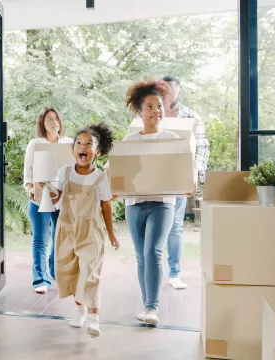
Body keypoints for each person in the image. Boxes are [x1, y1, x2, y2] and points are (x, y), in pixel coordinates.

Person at [123, 80, 195, 325]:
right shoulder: (130, 140)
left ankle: (152, 308)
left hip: (163, 203)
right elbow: (117, 171)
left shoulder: (173, 138)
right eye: (150, 107)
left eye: (160, 106)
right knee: (141, 257)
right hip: (134, 204)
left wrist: (190, 181)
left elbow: (185, 168)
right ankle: (146, 305)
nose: (156, 111)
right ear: (140, 111)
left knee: (153, 252)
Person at [45, 123, 120, 338]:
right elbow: (55, 200)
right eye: (79, 143)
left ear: (96, 152)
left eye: (89, 144)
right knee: (69, 273)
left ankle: (94, 318)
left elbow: (106, 205)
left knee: (90, 272)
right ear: (73, 150)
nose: (83, 147)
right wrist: (45, 189)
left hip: (90, 232)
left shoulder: (100, 177)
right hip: (66, 230)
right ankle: (80, 310)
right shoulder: (64, 173)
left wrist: (112, 234)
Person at [162, 75, 210, 290]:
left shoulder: (191, 116)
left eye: (171, 90)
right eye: (164, 90)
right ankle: (151, 271)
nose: (167, 94)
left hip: (180, 178)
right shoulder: (152, 112)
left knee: (175, 227)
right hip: (154, 178)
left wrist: (195, 176)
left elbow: (202, 147)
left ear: (178, 92)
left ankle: (174, 273)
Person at [23, 106, 74, 294]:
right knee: (40, 240)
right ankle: (40, 280)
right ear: (42, 124)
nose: (54, 122)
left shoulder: (69, 143)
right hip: (40, 199)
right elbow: (28, 171)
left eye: (56, 119)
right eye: (49, 119)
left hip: (62, 198)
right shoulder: (35, 144)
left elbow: (76, 168)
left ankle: (54, 271)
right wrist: (30, 187)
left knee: (60, 239)